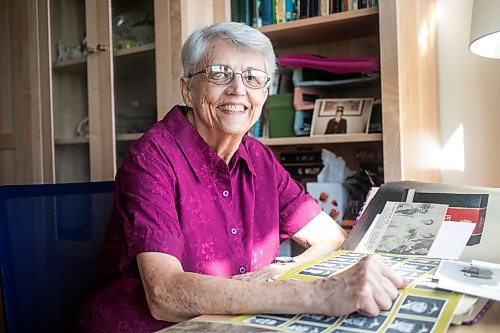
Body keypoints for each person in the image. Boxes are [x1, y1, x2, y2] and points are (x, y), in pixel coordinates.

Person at [76, 22, 408, 332]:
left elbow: (331, 237)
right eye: (219, 74)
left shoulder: (258, 157)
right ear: (187, 88)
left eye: (253, 77)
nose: (238, 90)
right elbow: (165, 295)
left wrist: (282, 270)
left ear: (264, 93)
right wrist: (314, 293)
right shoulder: (151, 159)